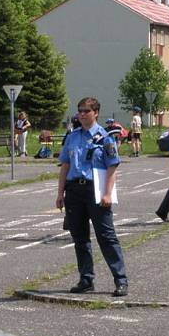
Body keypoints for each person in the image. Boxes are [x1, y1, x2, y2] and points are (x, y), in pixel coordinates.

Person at [56, 97, 128, 297]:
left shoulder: (104, 137)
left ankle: (121, 279)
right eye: (80, 110)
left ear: (96, 112)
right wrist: (60, 193)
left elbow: (112, 166)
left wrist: (107, 193)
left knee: (106, 236)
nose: (82, 114)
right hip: (74, 191)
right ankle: (86, 279)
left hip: (95, 190)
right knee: (80, 238)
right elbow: (65, 165)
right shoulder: (72, 136)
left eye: (86, 111)